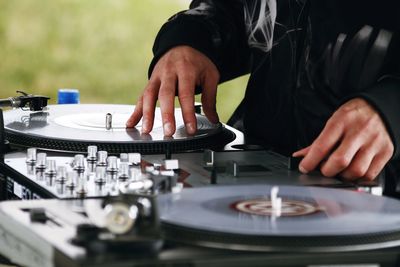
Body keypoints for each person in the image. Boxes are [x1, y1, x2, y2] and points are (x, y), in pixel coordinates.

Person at [126, 0, 400, 182]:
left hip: (374, 192)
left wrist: (390, 109)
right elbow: (240, 11)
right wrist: (191, 40)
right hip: (254, 175)